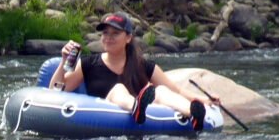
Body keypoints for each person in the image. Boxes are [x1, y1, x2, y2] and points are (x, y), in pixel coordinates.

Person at [48, 11, 216, 130]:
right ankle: (135, 107)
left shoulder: (143, 65)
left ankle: (193, 115)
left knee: (161, 91)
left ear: (128, 38)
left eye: (115, 33)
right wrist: (64, 62)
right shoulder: (88, 64)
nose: (108, 37)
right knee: (118, 89)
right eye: (105, 33)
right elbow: (55, 92)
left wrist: (204, 100)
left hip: (141, 124)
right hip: (103, 118)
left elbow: (176, 90)